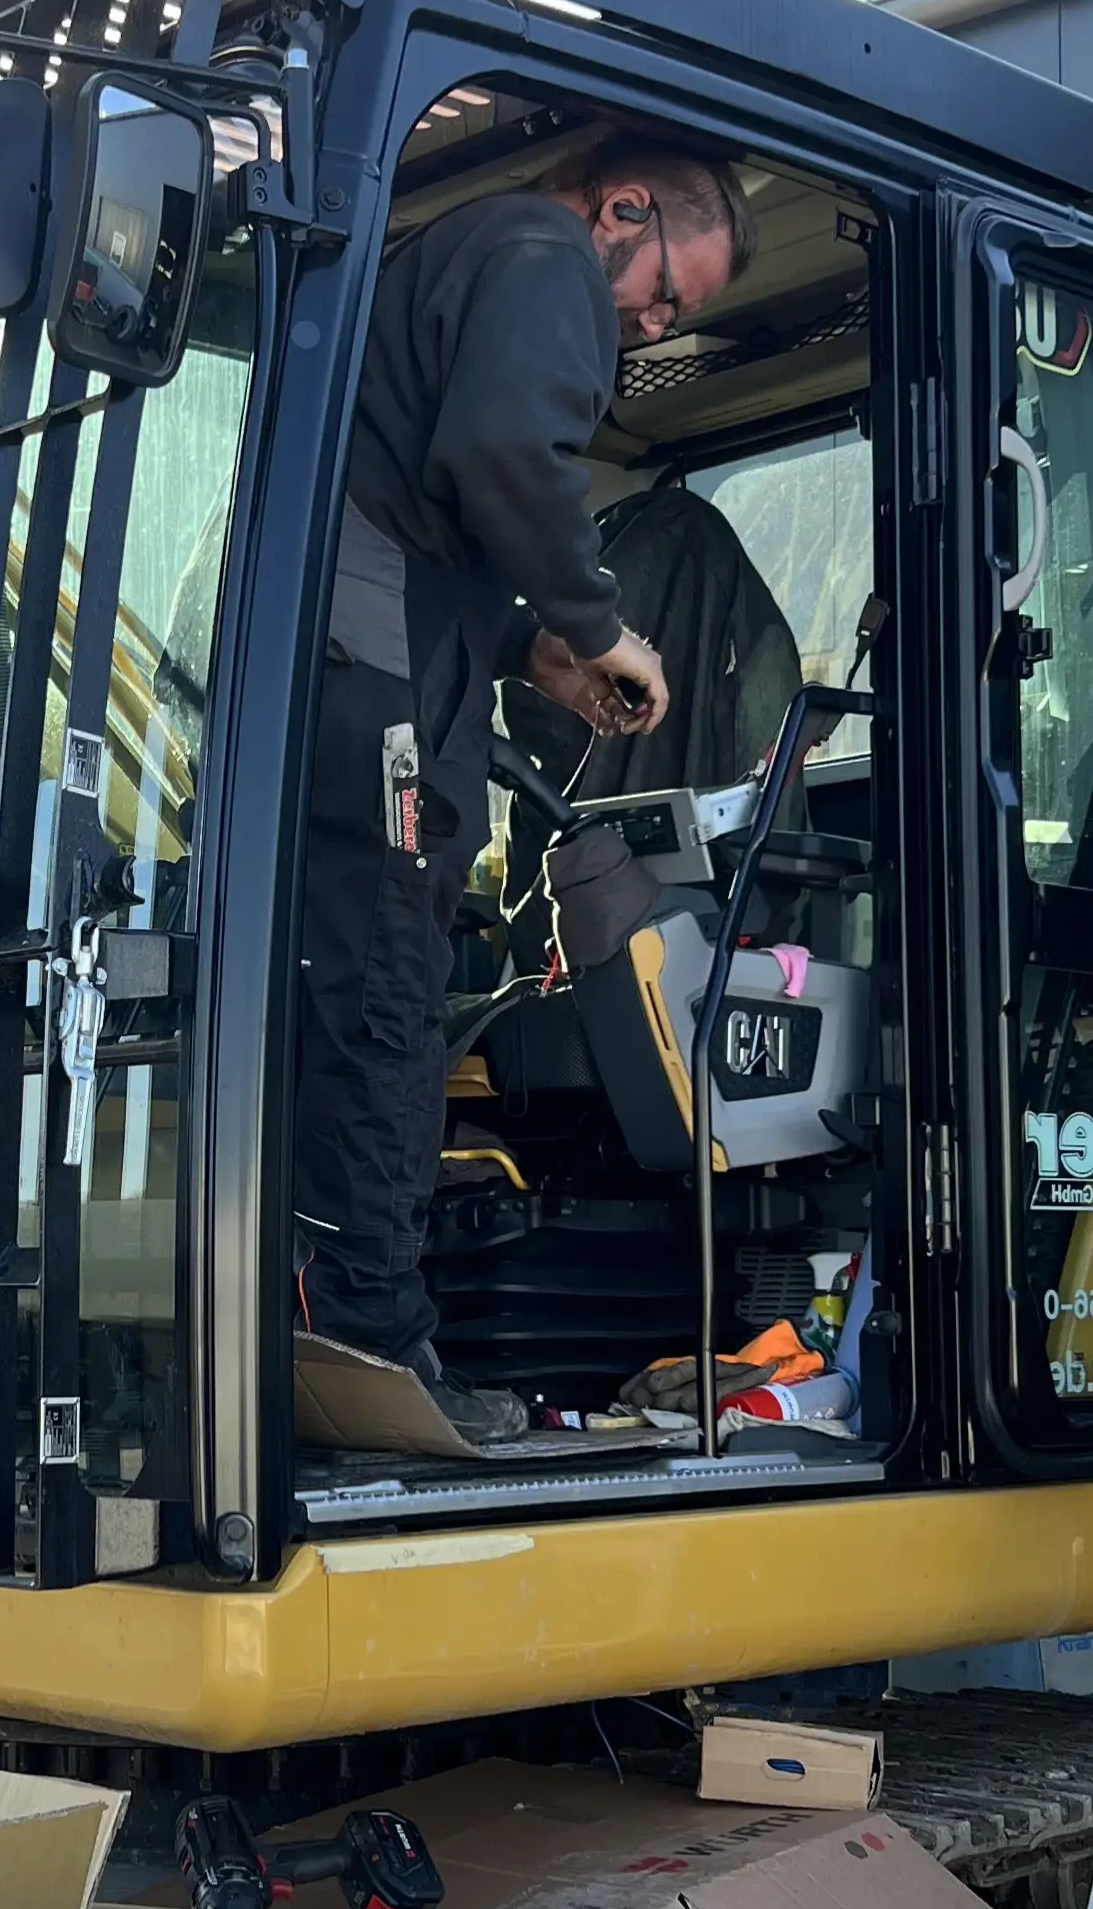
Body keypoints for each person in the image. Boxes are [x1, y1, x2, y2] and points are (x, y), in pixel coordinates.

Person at [296, 138, 755, 1440]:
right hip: (384, 716)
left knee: (350, 1003)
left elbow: (419, 511)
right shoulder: (544, 250)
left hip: (365, 683)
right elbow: (506, 444)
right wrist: (598, 618)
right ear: (622, 207)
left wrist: (535, 652)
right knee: (391, 996)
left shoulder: (453, 269)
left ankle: (315, 1308)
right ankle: (377, 1348)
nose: (655, 325)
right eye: (669, 291)